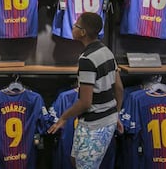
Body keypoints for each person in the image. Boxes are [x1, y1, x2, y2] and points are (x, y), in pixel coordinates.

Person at [48, 12, 124, 169]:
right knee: (75, 160)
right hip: (106, 120)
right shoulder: (106, 51)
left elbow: (85, 102)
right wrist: (115, 114)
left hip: (94, 124)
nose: (73, 26)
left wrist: (63, 117)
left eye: (76, 24)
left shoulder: (86, 60)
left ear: (82, 32)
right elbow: (119, 88)